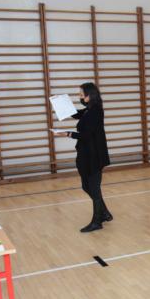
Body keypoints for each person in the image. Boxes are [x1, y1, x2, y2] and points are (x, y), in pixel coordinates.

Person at [55, 82, 112, 232]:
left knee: (93, 187)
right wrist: (61, 104)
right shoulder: (89, 109)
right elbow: (76, 114)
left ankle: (97, 221)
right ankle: (104, 213)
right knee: (87, 186)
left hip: (94, 155)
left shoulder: (96, 111)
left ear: (89, 95)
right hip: (86, 154)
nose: (79, 97)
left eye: (81, 95)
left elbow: (86, 135)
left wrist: (67, 133)